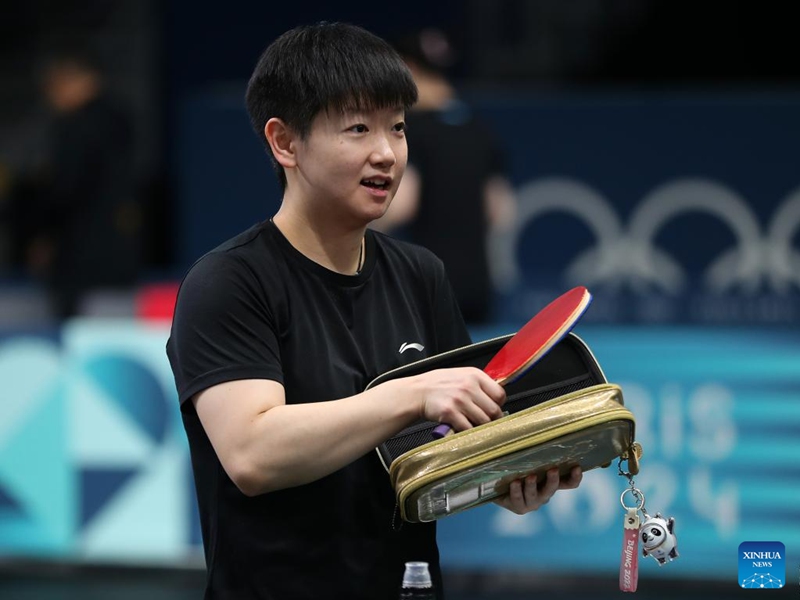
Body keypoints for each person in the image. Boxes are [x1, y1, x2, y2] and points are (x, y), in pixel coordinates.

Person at [167, 22, 581, 600]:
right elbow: (252, 454)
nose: (387, 152)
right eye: (358, 128)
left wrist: (512, 478)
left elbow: (450, 457)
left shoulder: (421, 276)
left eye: (398, 127)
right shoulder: (229, 282)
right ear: (285, 143)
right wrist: (410, 394)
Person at [373, 28, 517, 324]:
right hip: (479, 287)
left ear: (407, 69)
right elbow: (501, 212)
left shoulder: (409, 130)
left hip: (427, 287)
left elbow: (403, 204)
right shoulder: (480, 130)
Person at [20, 49, 141, 318]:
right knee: (112, 332)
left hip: (78, 258)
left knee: (80, 333)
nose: (51, 96)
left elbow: (65, 190)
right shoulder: (121, 120)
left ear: (76, 79)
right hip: (121, 255)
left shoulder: (74, 127)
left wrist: (44, 235)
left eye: (54, 85)